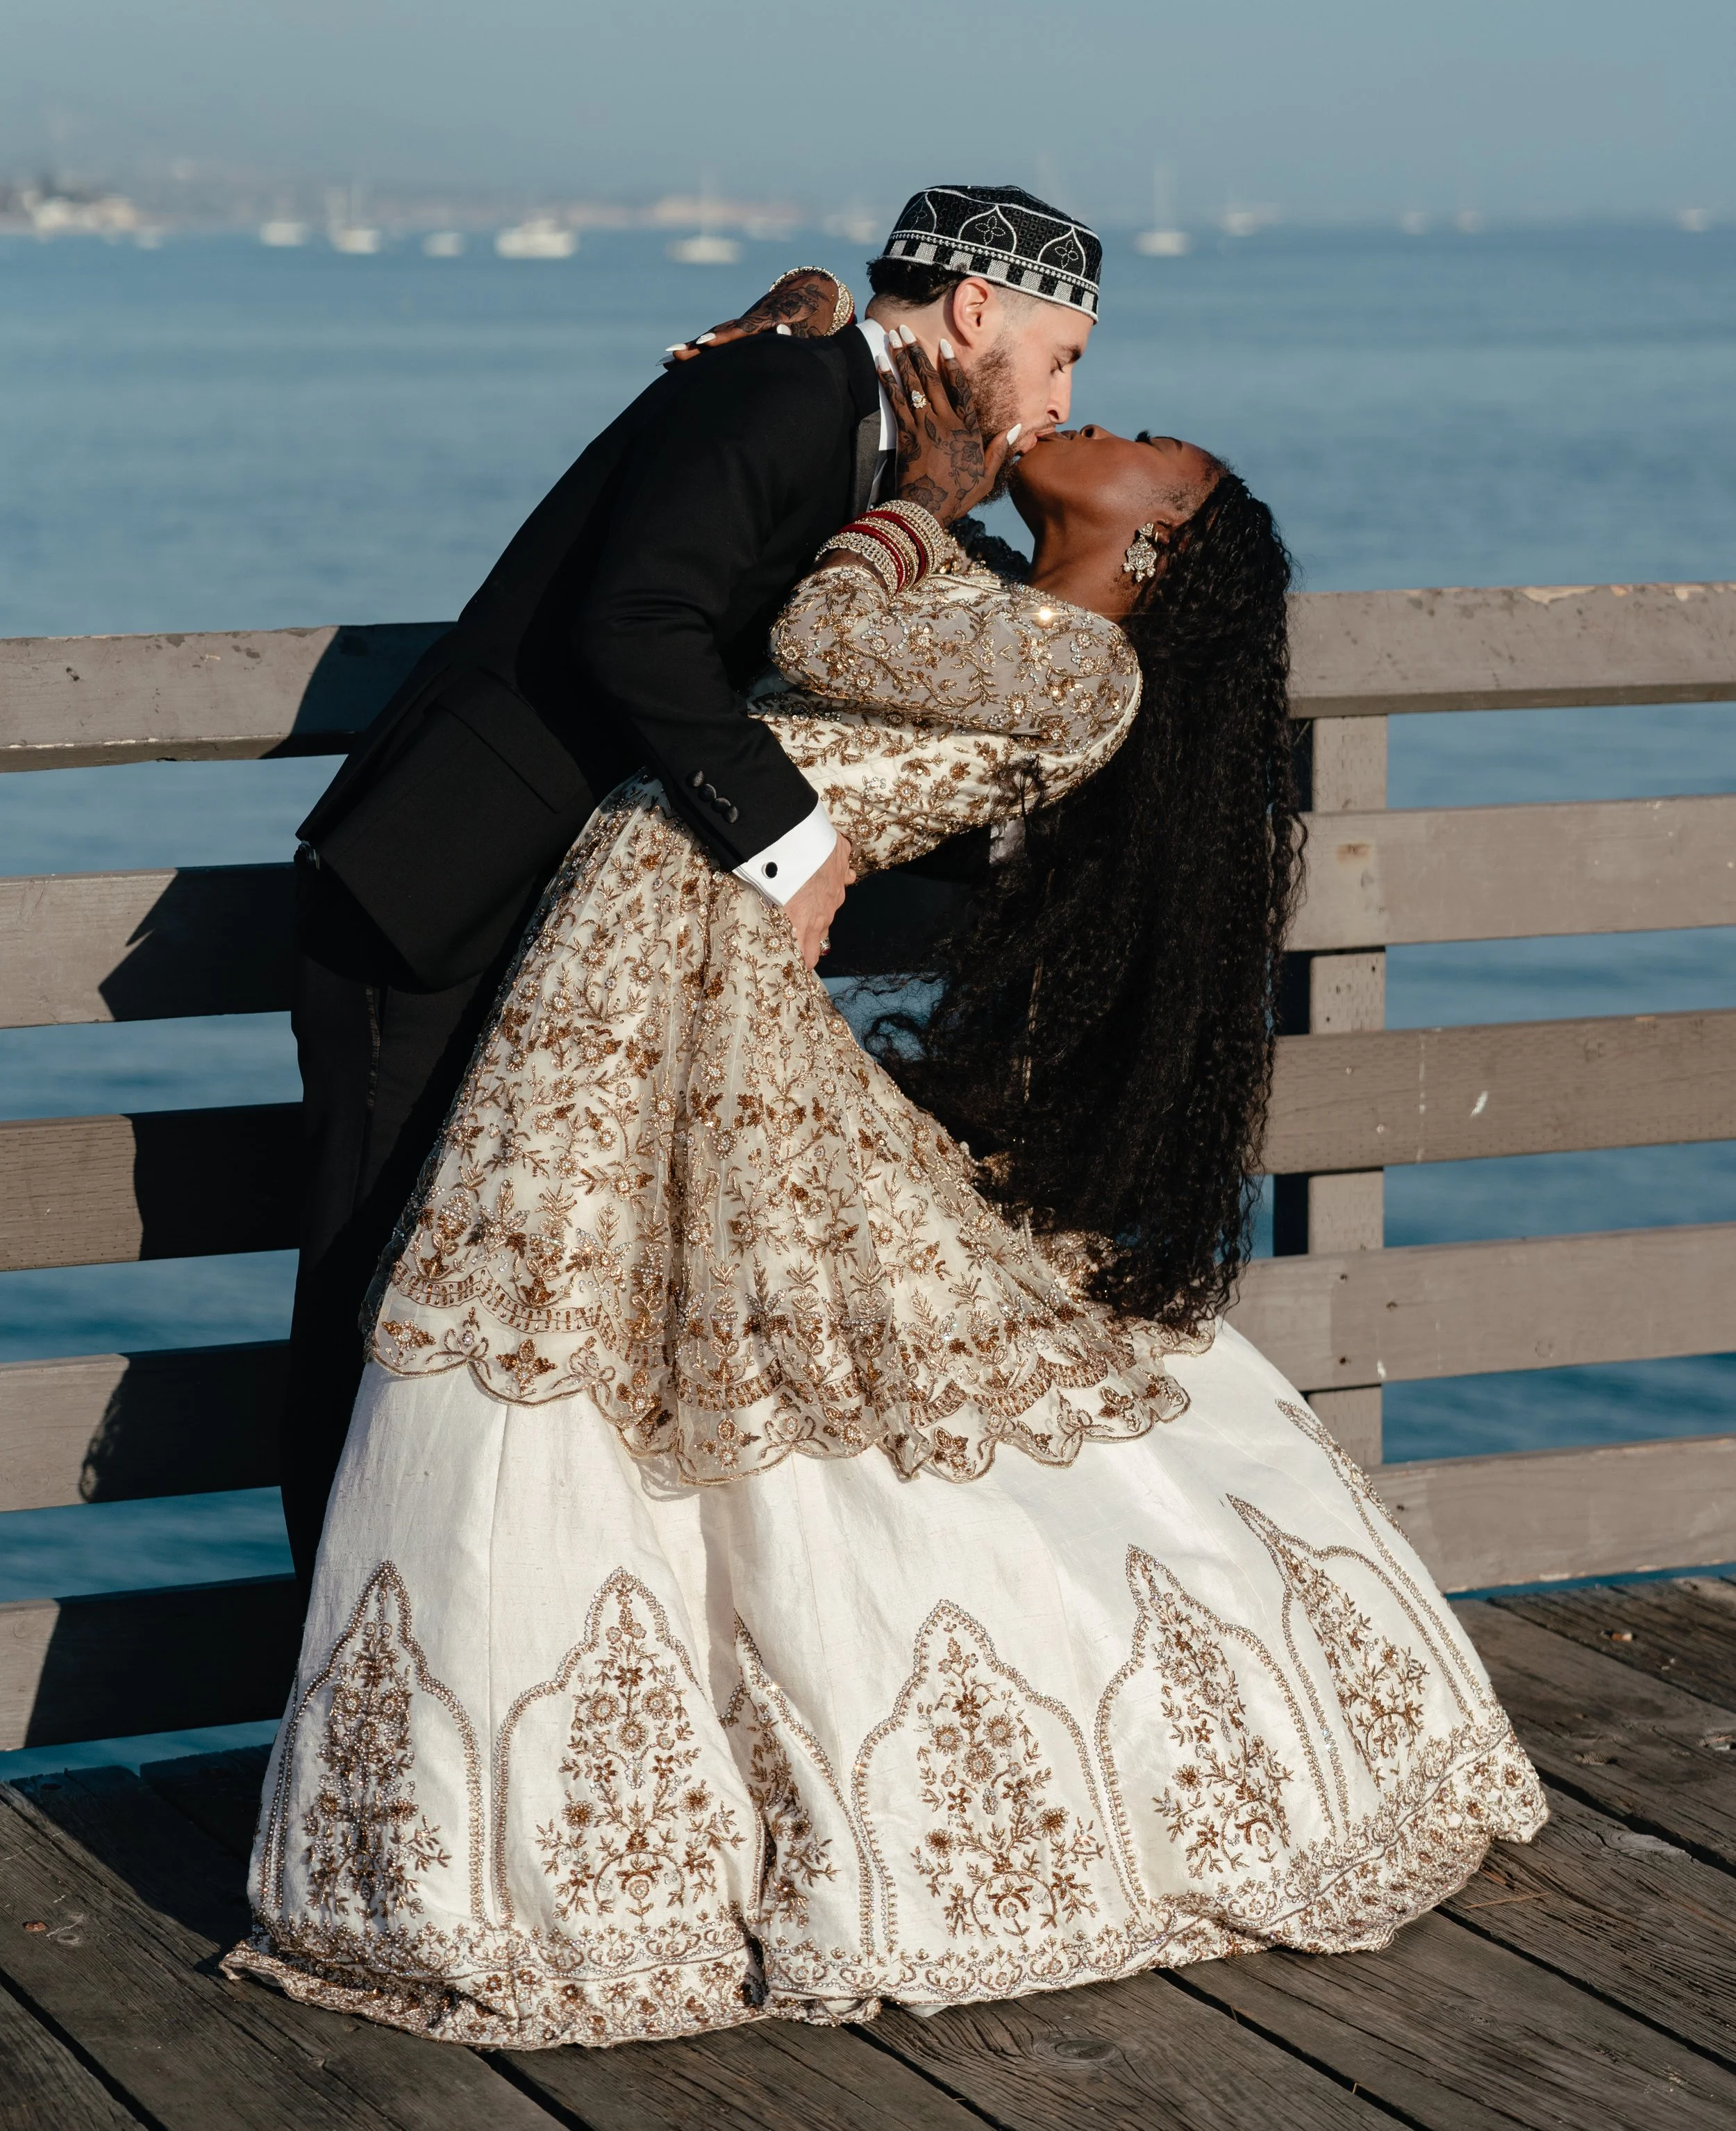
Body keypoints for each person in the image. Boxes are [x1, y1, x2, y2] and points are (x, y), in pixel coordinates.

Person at [226, 322, 1543, 2046]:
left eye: (1151, 440)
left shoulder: (1090, 676)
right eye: (1080, 373)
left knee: (686, 1345)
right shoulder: (1010, 601)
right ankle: (524, 1827)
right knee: (578, 1331)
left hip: (697, 944)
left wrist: (919, 493)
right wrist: (804, 369)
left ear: (1158, 542)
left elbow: (825, 621)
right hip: (641, 930)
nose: (1105, 414)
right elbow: (844, 555)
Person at [281, 186, 1101, 1585]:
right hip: (436, 894)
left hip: (562, 935)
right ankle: (329, 1701)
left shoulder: (893, 437)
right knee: (374, 1310)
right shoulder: (781, 392)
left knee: (478, 1326)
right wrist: (795, 845)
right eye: (1062, 354)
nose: (1065, 390)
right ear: (975, 311)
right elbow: (637, 626)